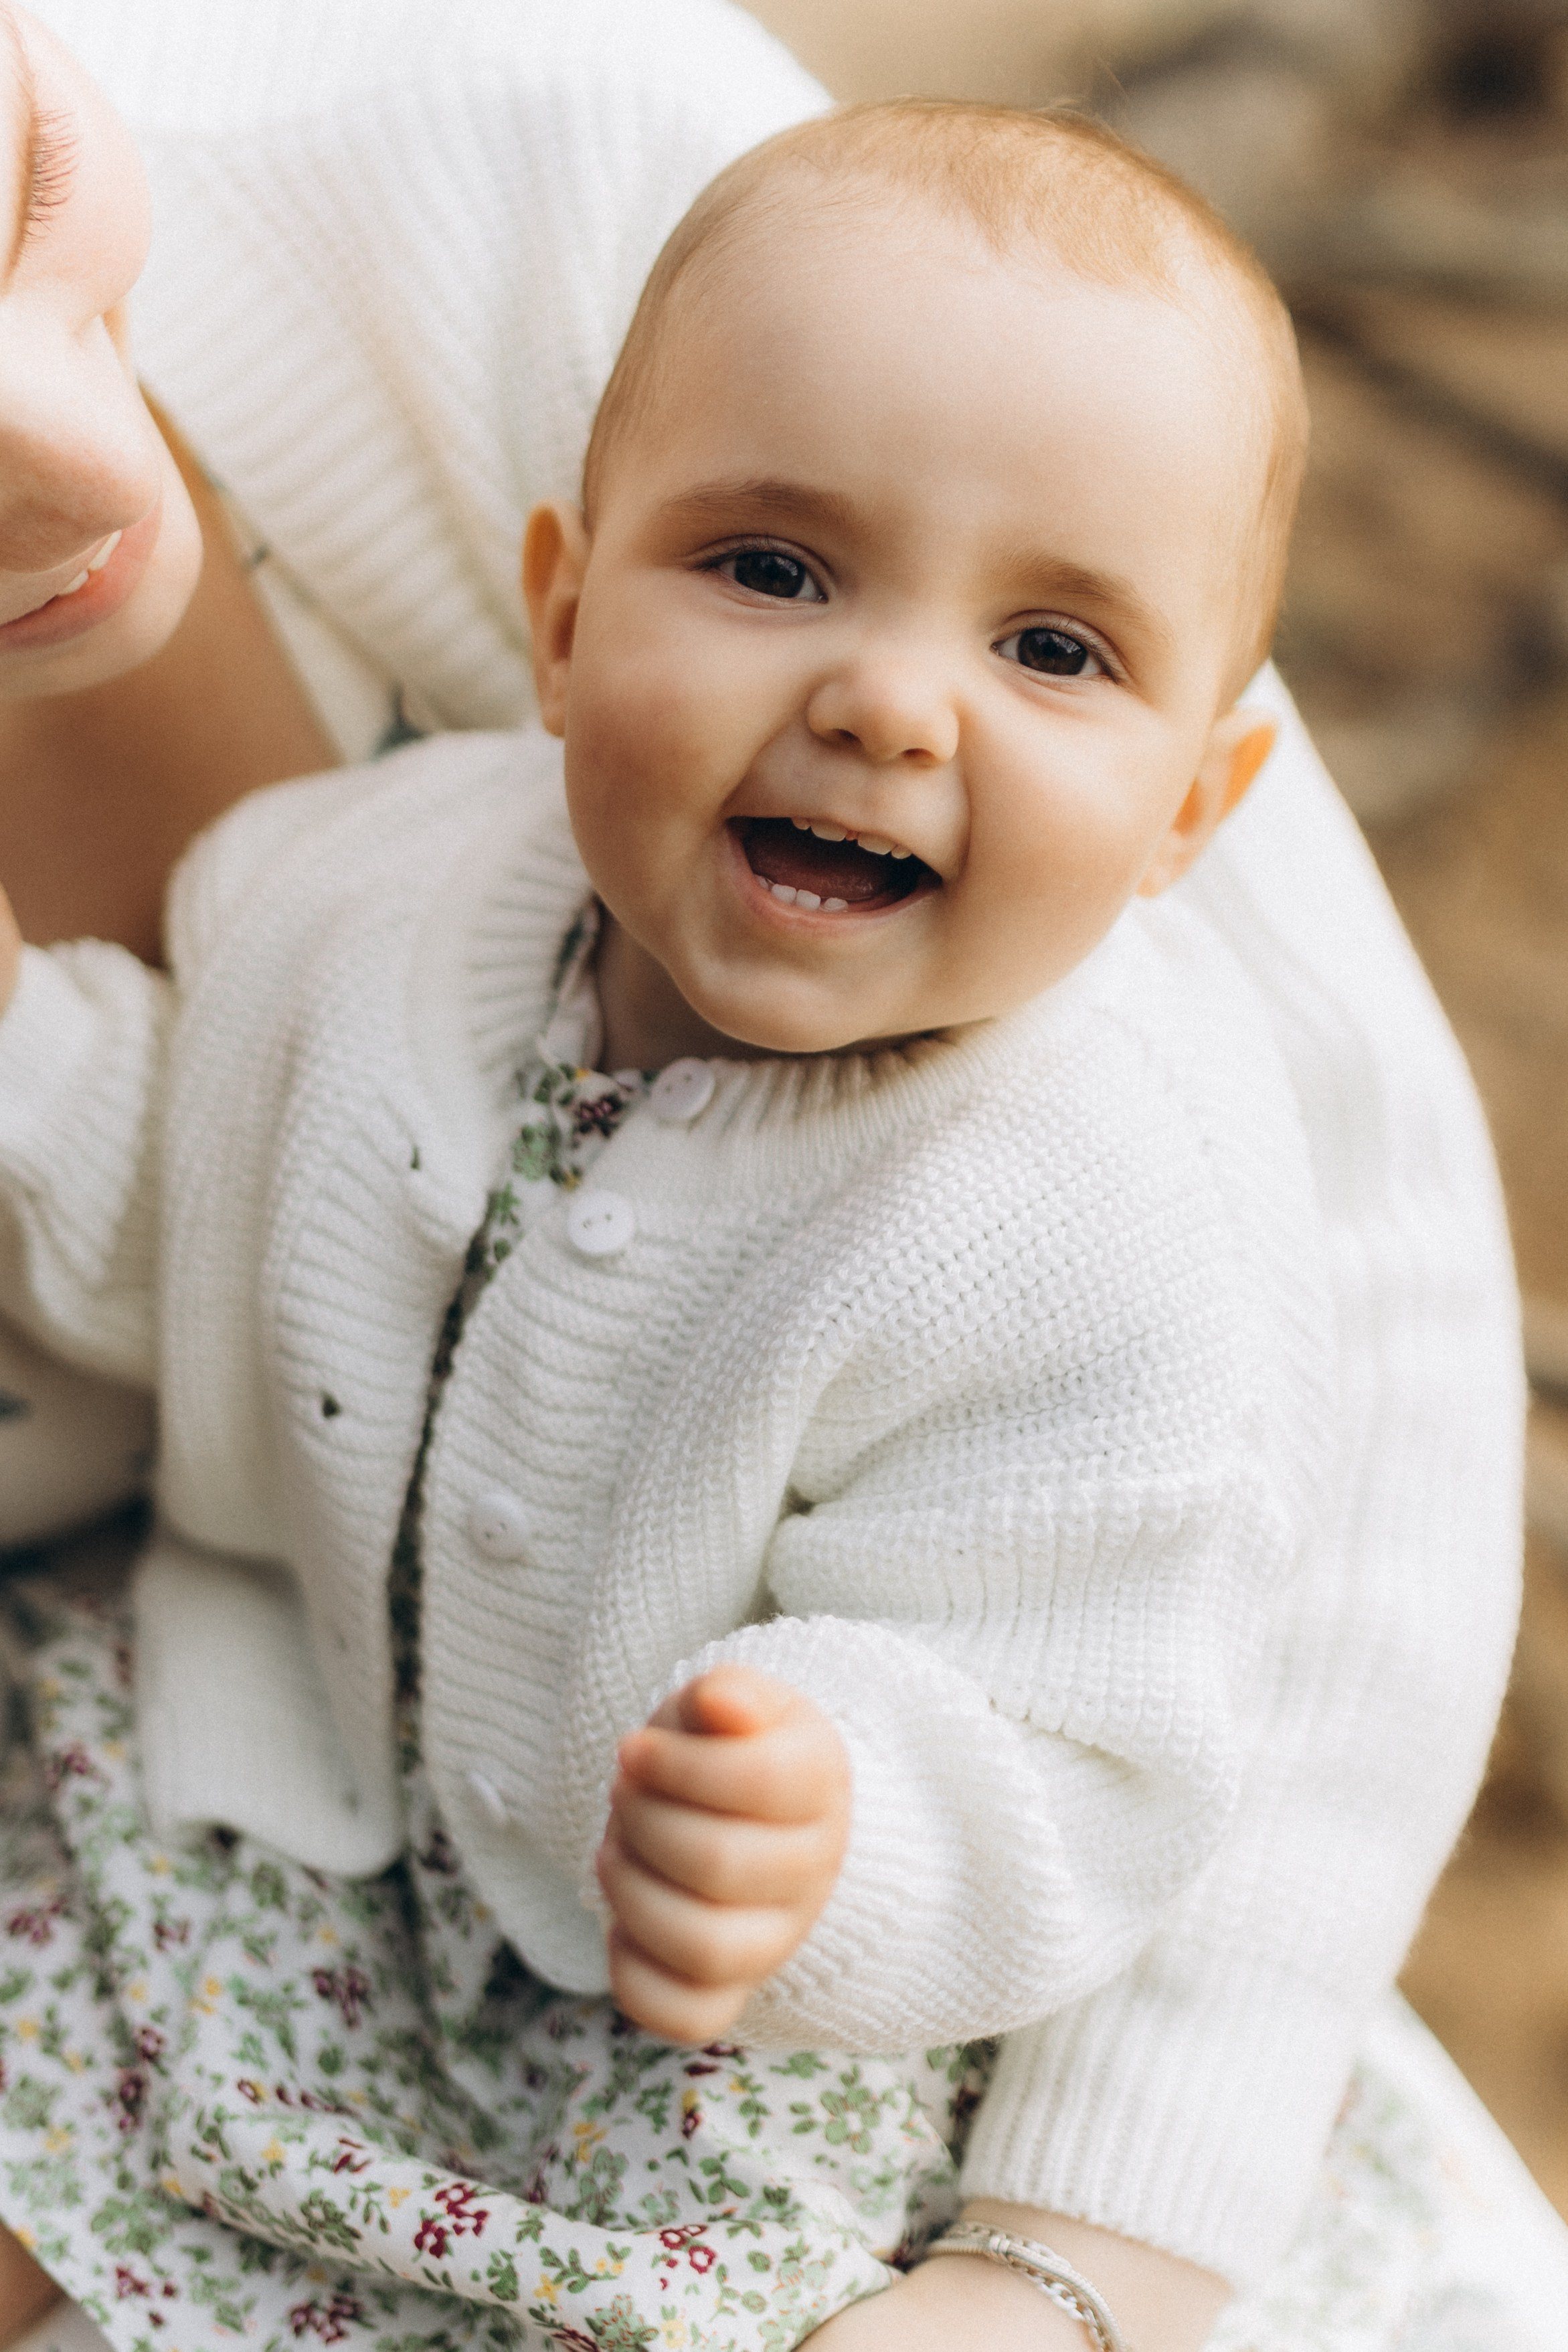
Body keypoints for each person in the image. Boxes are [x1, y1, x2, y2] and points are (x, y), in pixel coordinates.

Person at [0, 5, 1545, 2350]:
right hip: (288, 1808)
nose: (892, 701)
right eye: (771, 567)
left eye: (1051, 646)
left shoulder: (1104, 1208)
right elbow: (189, 1197)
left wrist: (843, 1814)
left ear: (1192, 819)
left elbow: (1092, 1720)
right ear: (559, 613)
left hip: (717, 2031)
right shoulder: (380, 893)